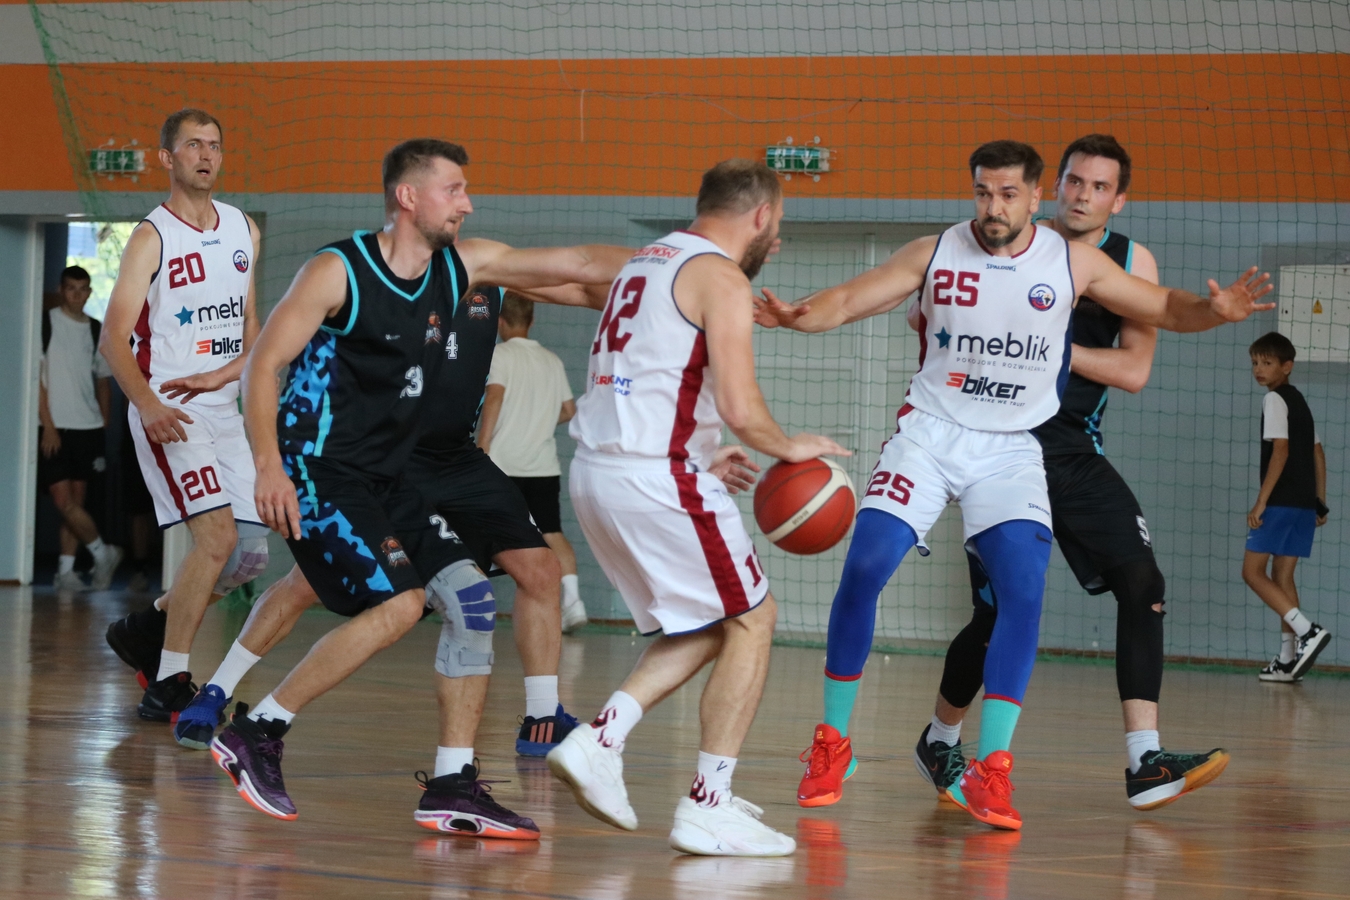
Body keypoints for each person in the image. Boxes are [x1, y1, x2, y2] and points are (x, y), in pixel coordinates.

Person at [757, 140, 1273, 830]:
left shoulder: (1074, 262)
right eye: (983, 192)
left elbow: (1166, 308)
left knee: (1022, 594)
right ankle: (833, 744)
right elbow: (849, 300)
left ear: (1033, 197)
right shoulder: (936, 251)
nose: (993, 207)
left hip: (1011, 449)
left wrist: (1219, 310)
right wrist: (797, 315)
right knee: (866, 566)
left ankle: (992, 770)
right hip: (930, 435)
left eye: (1006, 195)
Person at [209, 138, 628, 832]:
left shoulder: (463, 267)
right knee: (402, 605)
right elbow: (263, 364)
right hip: (319, 467)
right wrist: (267, 465)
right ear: (408, 197)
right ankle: (259, 730)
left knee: (472, 601)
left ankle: (452, 784)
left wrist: (678, 266)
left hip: (389, 473)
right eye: (453, 189)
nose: (468, 203)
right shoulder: (338, 271)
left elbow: (581, 265)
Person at [913, 135, 1229, 813]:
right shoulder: (1008, 240)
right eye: (1074, 182)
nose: (1083, 195)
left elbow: (1134, 370)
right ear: (1051, 187)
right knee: (996, 614)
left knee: (1143, 583)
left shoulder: (1129, 262)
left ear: (1120, 199)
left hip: (1074, 451)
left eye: (1099, 186)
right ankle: (940, 739)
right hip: (999, 444)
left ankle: (1145, 761)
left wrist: (1049, 347)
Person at [547, 158, 848, 858]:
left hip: (601, 472)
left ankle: (602, 740)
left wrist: (697, 450)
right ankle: (707, 803)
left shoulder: (646, 262)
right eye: (778, 224)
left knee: (716, 621)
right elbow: (741, 405)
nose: (776, 239)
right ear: (762, 215)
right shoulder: (721, 276)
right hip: (654, 480)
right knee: (754, 619)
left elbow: (646, 375)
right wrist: (790, 445)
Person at [99, 108, 270, 723]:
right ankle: (169, 681)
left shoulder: (244, 228)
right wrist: (147, 405)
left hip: (225, 408)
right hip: (169, 409)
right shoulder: (152, 236)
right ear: (168, 158)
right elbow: (113, 338)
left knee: (249, 555)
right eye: (193, 145)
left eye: (214, 145)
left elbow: (251, 328)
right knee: (217, 539)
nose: (206, 155)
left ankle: (146, 628)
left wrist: (240, 383)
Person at [476, 290, 588, 633]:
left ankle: (472, 605)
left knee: (478, 533)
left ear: (499, 322)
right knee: (552, 533)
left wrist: (482, 445)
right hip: (543, 466)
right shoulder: (552, 360)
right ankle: (574, 603)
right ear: (532, 320)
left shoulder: (499, 355)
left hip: (503, 464)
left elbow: (494, 397)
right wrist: (537, 421)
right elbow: (569, 410)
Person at [1242, 331, 1331, 682]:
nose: (1259, 369)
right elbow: (1317, 453)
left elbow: (1281, 449)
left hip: (1279, 502)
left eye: (1267, 363)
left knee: (1252, 573)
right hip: (1303, 505)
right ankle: (1287, 660)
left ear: (1287, 366)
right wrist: (1319, 501)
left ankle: (1308, 631)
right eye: (1255, 363)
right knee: (1282, 576)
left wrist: (1261, 502)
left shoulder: (1275, 399)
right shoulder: (1300, 402)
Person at [39, 264, 123, 591]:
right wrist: (48, 425)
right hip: (54, 428)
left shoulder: (96, 329)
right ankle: (104, 553)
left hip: (88, 429)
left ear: (89, 292)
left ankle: (66, 572)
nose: (77, 295)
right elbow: (37, 380)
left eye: (82, 289)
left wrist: (104, 420)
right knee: (64, 502)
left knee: (76, 503)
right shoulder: (45, 324)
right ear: (61, 291)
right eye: (70, 288)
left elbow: (103, 379)